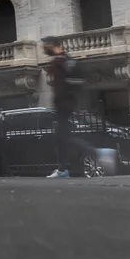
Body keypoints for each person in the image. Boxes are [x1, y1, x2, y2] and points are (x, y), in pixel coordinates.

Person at [44, 36, 83, 178]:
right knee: (62, 137)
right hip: (66, 104)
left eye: (46, 45)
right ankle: (63, 169)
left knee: (62, 137)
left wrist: (61, 102)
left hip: (64, 105)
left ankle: (63, 169)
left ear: (53, 45)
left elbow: (63, 86)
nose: (44, 48)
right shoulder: (65, 59)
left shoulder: (60, 61)